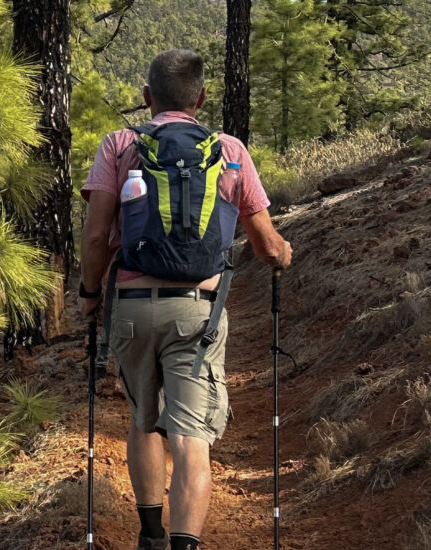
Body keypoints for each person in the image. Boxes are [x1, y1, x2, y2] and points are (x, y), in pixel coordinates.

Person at [77, 49, 295, 550]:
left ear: (146, 97)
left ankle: (150, 534)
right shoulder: (231, 151)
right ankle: (185, 545)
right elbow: (265, 245)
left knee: (143, 420)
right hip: (197, 314)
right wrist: (283, 256)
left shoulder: (119, 144)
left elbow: (94, 237)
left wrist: (90, 297)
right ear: (200, 98)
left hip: (130, 307)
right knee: (191, 437)